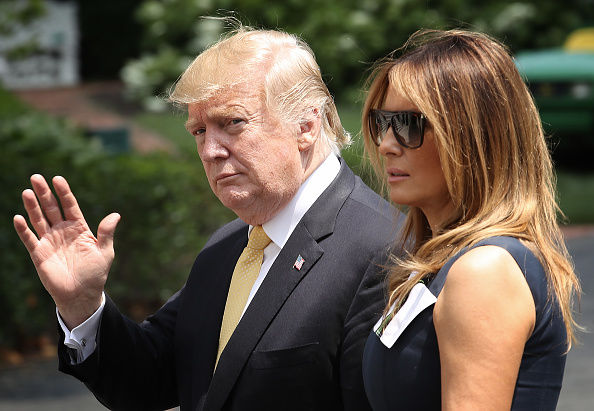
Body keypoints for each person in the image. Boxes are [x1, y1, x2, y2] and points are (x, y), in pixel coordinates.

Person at [13, 25, 401, 411]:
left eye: (233, 122)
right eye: (199, 130)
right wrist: (83, 306)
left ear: (306, 125)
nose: (211, 150)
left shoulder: (385, 249)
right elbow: (148, 379)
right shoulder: (227, 247)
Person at [360, 29, 581, 411]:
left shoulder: (483, 270)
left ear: (471, 137)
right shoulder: (448, 258)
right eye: (383, 122)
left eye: (408, 124)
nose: (386, 144)